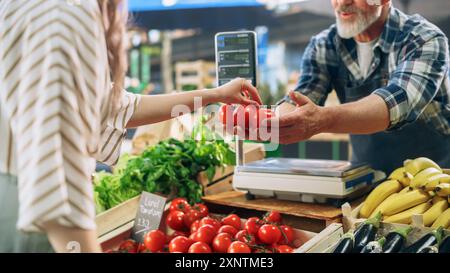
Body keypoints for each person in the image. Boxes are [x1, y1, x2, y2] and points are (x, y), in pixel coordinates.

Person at [0, 0, 262, 253]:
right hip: (31, 220)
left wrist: (215, 94)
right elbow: (56, 186)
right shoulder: (63, 14)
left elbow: (116, 106)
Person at [268, 0, 450, 174]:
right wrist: (271, 120)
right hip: (366, 177)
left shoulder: (423, 39)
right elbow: (302, 96)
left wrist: (322, 120)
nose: (343, 2)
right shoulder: (325, 45)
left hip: (435, 180)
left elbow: (395, 103)